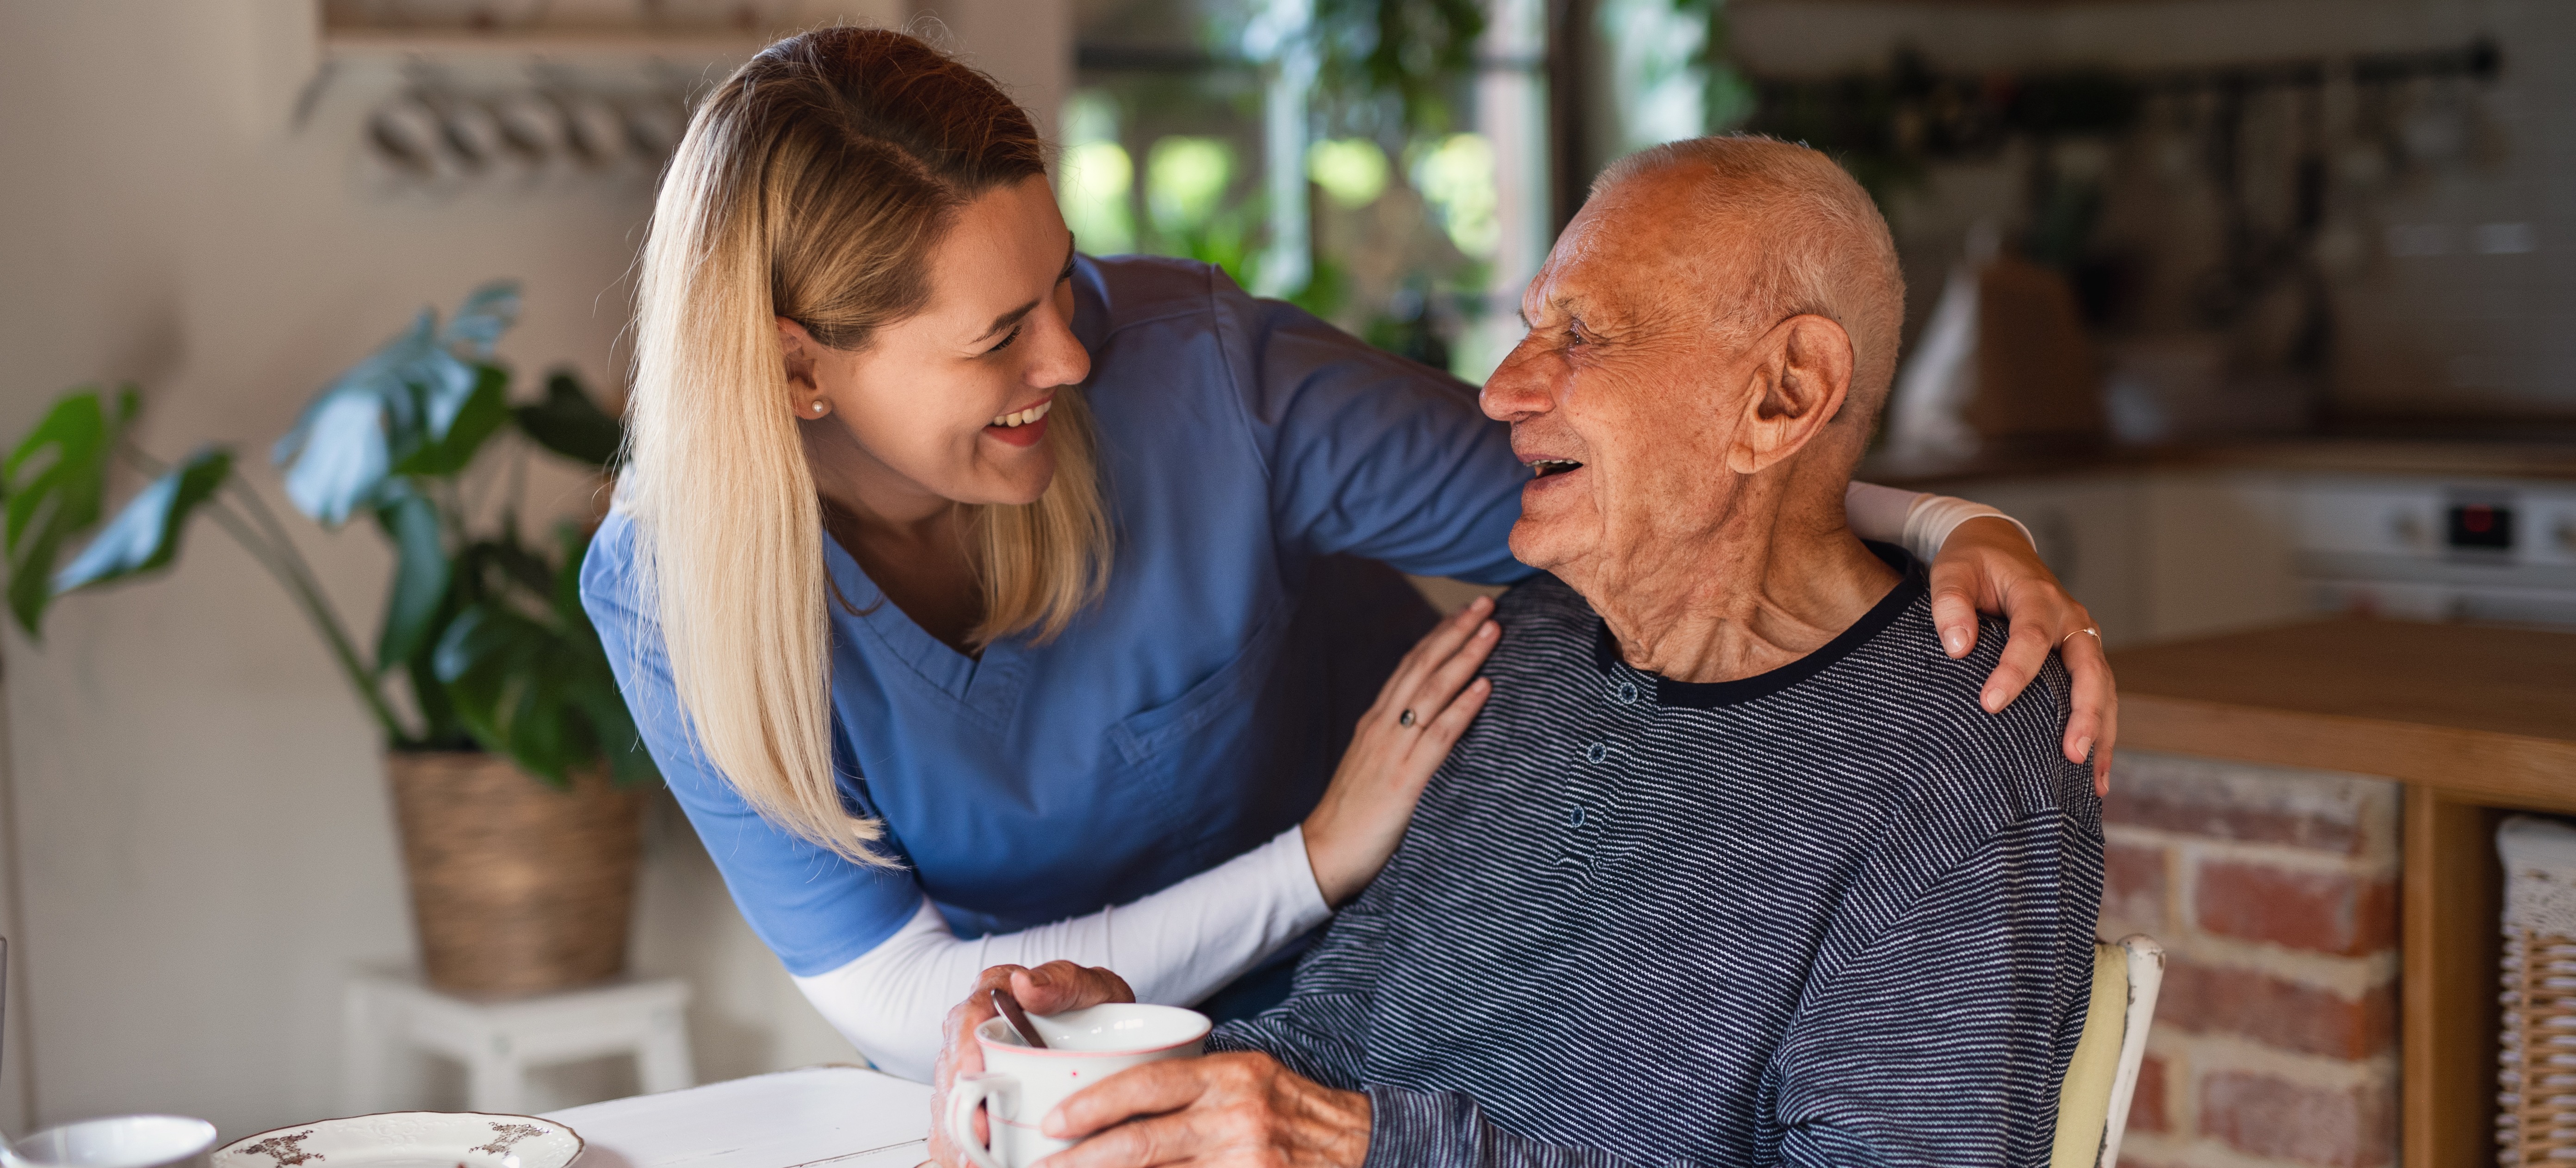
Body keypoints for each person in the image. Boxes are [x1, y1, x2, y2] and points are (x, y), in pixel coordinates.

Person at [581, 27, 2120, 1082]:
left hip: (1391, 1028)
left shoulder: (1200, 381)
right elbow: (907, 1006)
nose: (1071, 350)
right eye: (999, 335)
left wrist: (1952, 525)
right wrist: (1315, 855)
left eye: (1063, 279)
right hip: (1069, 1066)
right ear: (797, 368)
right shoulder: (670, 591)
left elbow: (1645, 485)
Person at [935, 136, 2105, 1168]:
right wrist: (1130, 1066)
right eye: (1531, 327)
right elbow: (1335, 1043)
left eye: (1582, 334)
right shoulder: (1528, 643)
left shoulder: (1952, 756)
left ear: (1783, 396)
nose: (1500, 392)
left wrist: (1361, 1147)